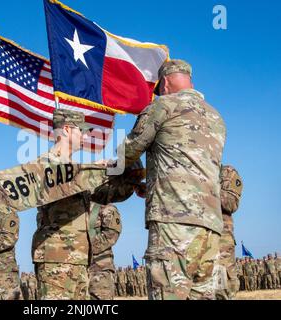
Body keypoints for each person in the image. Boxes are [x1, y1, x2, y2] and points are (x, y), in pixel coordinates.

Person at [119, 59, 226, 300]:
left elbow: (129, 150)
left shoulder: (164, 106)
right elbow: (192, 165)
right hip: (210, 226)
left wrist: (116, 171)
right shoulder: (216, 117)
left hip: (173, 221)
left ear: (165, 82)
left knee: (167, 294)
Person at [32, 109, 143, 300]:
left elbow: (106, 195)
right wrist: (97, 170)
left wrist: (128, 172)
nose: (84, 136)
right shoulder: (44, 164)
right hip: (56, 260)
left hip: (80, 259)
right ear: (67, 130)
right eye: (80, 131)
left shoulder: (78, 171)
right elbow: (63, 186)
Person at [214, 165, 243, 300]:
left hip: (220, 241)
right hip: (191, 239)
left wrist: (205, 187)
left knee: (222, 290)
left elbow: (231, 204)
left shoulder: (227, 172)